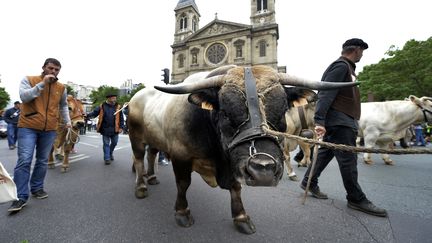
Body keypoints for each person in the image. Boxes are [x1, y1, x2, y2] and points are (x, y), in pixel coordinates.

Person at [300, 38, 387, 217]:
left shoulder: (347, 68)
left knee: (325, 153)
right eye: (361, 51)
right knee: (348, 160)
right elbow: (325, 92)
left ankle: (309, 181)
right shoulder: (341, 66)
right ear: (355, 50)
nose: (362, 55)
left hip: (341, 120)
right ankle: (356, 198)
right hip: (340, 121)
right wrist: (319, 121)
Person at [8, 58, 71, 213]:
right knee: (25, 160)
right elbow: (24, 97)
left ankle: (37, 188)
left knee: (42, 160)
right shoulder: (29, 80)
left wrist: (67, 121)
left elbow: (63, 106)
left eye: (57, 70)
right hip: (28, 126)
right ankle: (20, 197)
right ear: (43, 67)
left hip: (49, 128)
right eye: (51, 68)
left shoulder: (61, 87)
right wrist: (42, 83)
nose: (53, 72)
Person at [87, 93, 124, 164]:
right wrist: (87, 115)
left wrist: (121, 127)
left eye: (115, 98)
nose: (115, 99)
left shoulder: (118, 107)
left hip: (115, 129)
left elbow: (121, 118)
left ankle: (110, 153)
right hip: (105, 129)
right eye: (113, 98)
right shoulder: (102, 106)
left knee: (114, 143)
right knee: (106, 144)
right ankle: (107, 158)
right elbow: (94, 113)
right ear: (109, 99)